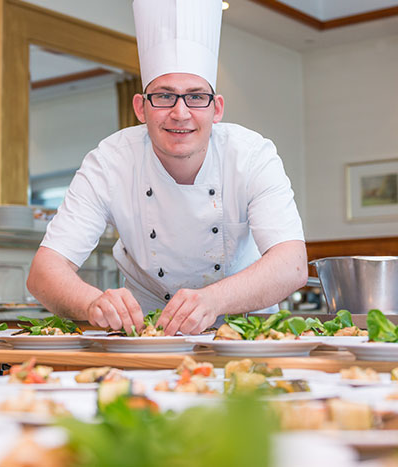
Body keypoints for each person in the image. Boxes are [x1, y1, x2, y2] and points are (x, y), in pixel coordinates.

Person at [26, 0, 307, 335]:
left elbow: (291, 264)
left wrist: (213, 300)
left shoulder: (251, 155)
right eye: (163, 96)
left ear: (216, 109)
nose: (180, 112)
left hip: (247, 331)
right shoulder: (110, 162)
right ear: (140, 108)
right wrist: (91, 303)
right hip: (147, 336)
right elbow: (44, 272)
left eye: (195, 96)